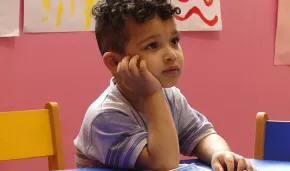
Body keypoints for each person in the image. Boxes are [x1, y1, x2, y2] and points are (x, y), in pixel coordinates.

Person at [74, 0, 256, 171]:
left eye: (174, 41)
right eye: (152, 45)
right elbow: (163, 164)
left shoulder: (170, 96)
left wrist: (219, 153)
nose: (171, 54)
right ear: (114, 62)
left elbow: (201, 135)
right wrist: (152, 95)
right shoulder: (105, 115)